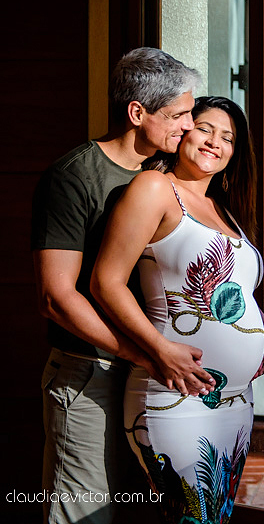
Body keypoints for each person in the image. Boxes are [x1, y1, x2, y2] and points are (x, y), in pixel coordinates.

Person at [32, 47, 210, 524]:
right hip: (90, 374)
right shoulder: (73, 178)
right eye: (178, 114)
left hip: (155, 376)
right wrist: (138, 351)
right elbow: (56, 296)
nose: (189, 126)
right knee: (86, 515)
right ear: (137, 113)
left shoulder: (166, 175)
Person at [92, 96, 264, 524]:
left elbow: (236, 291)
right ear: (183, 132)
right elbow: (106, 281)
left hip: (235, 404)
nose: (216, 142)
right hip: (175, 396)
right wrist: (158, 348)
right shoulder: (155, 188)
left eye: (228, 138)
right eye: (206, 128)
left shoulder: (224, 212)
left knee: (214, 517)